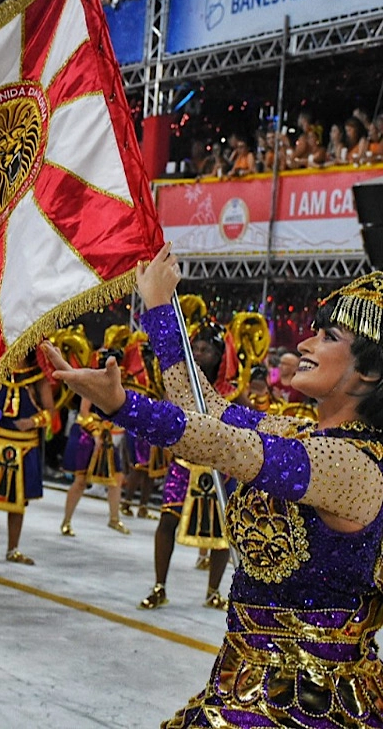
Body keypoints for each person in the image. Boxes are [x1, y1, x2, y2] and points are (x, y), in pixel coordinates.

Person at [44, 245, 383, 727]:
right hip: (241, 685)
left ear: (368, 371)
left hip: (308, 708)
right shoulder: (300, 434)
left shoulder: (352, 464)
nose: (305, 345)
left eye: (327, 336)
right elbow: (203, 408)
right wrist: (161, 305)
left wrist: (123, 406)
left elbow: (219, 443)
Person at [135, 315, 238, 611]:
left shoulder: (232, 389)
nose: (200, 354)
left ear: (220, 356)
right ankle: (159, 586)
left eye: (206, 350)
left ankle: (213, 591)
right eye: (197, 348)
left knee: (222, 532)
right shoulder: (181, 384)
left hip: (220, 469)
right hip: (183, 465)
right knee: (167, 520)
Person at [0, 353, 55, 565]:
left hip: (25, 445)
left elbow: (51, 412)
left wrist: (33, 421)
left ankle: (12, 549)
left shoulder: (37, 376)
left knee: (18, 502)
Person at [59, 349, 131, 537]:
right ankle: (66, 521)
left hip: (107, 437)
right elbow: (84, 412)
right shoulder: (91, 383)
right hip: (88, 437)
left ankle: (114, 518)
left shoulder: (117, 385)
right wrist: (97, 433)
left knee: (117, 477)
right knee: (81, 481)